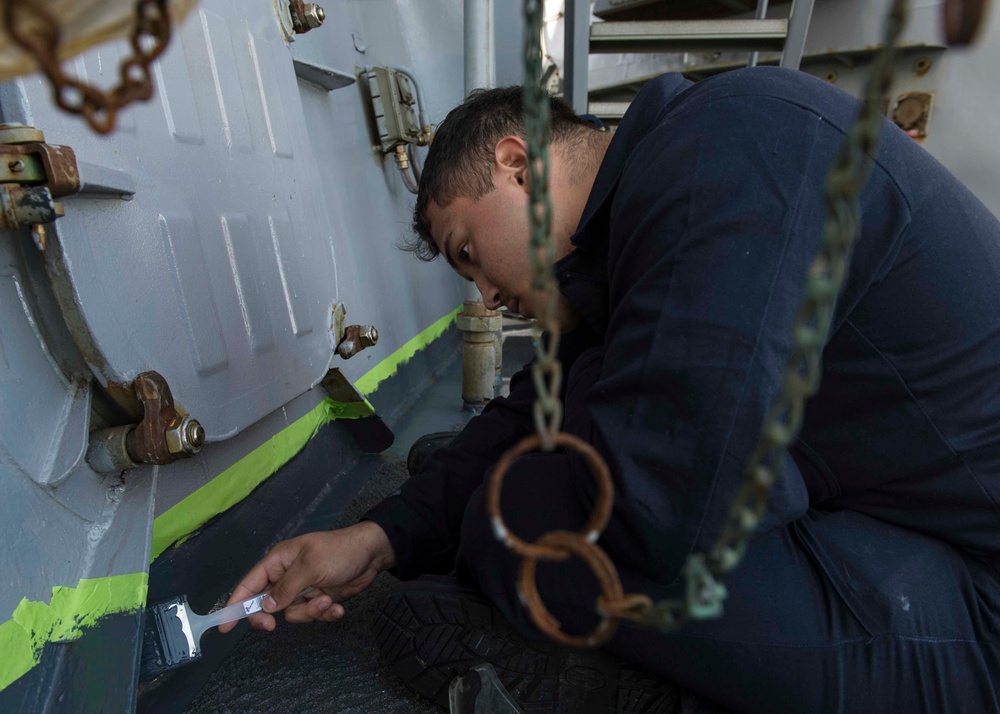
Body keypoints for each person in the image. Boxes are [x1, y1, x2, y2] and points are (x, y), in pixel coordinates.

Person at [222, 67, 1000, 712]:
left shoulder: (721, 157)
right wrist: (381, 536)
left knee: (519, 518)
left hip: (976, 604)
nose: (487, 297)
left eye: (470, 252)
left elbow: (664, 508)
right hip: (896, 520)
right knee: (495, 466)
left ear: (517, 165)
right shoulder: (656, 202)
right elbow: (540, 404)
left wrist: (504, 502)